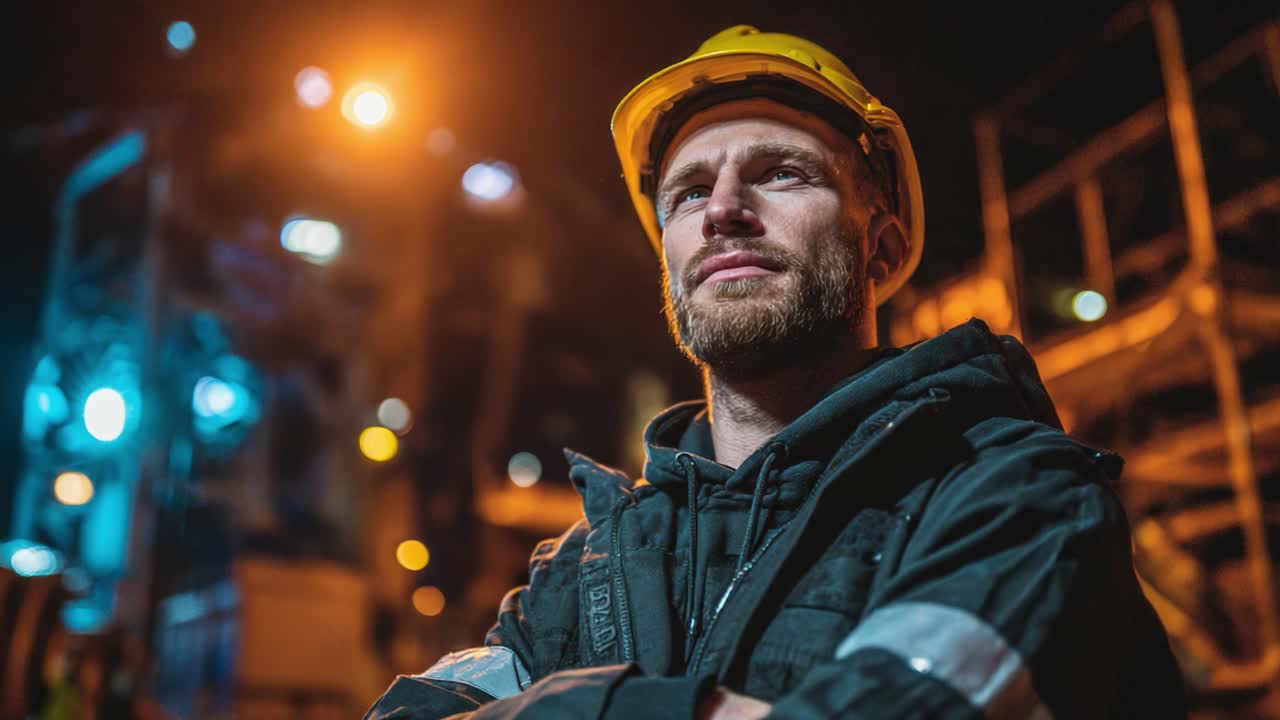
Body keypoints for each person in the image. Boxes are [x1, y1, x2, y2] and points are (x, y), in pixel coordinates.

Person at [365, 26, 1186, 719]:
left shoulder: (1016, 497)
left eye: (781, 172)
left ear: (884, 246)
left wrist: (582, 706)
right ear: (672, 266)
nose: (722, 207)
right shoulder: (585, 569)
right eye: (688, 193)